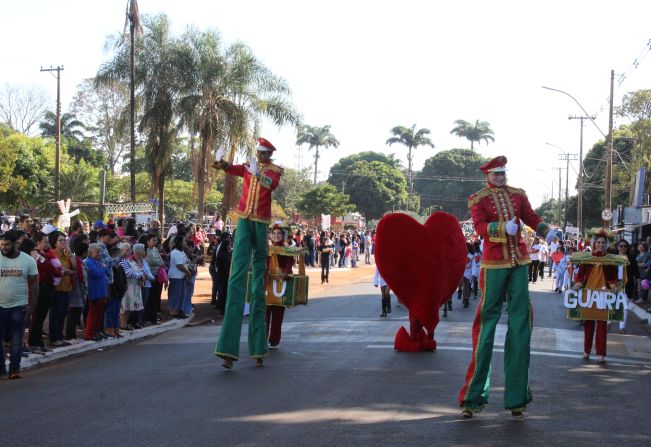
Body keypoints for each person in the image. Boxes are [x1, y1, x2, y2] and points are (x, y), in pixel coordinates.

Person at [458, 155, 556, 419]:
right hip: (493, 265)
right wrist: (502, 228)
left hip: (520, 262)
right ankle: (473, 397)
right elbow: (479, 228)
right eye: (496, 174)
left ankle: (517, 398)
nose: (501, 177)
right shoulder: (477, 200)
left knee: (521, 325)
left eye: (503, 173)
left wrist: (547, 231)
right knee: (486, 326)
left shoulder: (518, 195)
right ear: (487, 176)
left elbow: (532, 217)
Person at [212, 137, 283, 369]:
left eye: (263, 153)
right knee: (236, 279)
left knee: (257, 285)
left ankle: (258, 348)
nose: (259, 155)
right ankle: (228, 351)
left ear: (269, 154)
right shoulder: (247, 166)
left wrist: (257, 173)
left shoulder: (274, 171)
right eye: (258, 152)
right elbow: (229, 169)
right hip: (243, 218)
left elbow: (270, 185)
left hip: (261, 223)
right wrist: (219, 160)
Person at [571, 229, 626, 363]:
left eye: (603, 243)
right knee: (588, 324)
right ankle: (586, 351)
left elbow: (613, 278)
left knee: (602, 326)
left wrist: (614, 287)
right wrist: (578, 283)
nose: (600, 245)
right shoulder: (586, 258)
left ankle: (601, 354)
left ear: (606, 244)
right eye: (598, 242)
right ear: (594, 243)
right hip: (589, 295)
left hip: (603, 296)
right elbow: (580, 275)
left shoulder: (610, 260)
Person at [0, 230, 38, 379]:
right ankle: (1, 369)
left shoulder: (28, 260)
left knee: (17, 340)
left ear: (15, 244)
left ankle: (14, 369)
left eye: (6, 245)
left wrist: (32, 305)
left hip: (19, 306)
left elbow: (35, 284)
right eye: (1, 245)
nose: (3, 247)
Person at [266, 222, 295, 348]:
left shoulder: (287, 249)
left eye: (279, 233)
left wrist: (285, 273)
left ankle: (274, 339)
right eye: (274, 233)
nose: (276, 235)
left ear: (283, 235)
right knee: (265, 314)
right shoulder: (266, 248)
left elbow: (289, 265)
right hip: (267, 284)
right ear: (271, 235)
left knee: (278, 314)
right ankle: (262, 338)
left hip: (280, 284)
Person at [84, 244, 109, 341]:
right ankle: (89, 334)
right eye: (96, 252)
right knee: (93, 314)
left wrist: (103, 267)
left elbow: (106, 271)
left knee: (98, 315)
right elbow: (96, 273)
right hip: (95, 291)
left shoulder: (97, 261)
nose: (98, 254)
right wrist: (103, 268)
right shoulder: (89, 262)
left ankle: (95, 332)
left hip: (101, 291)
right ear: (90, 253)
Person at [615, 239, 638, 335]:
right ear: (617, 247)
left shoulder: (631, 259)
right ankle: (608, 323)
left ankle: (622, 327)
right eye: (621, 246)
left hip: (627, 286)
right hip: (614, 285)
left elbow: (636, 273)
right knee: (612, 305)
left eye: (625, 246)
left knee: (625, 307)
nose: (623, 248)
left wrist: (638, 285)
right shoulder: (613, 258)